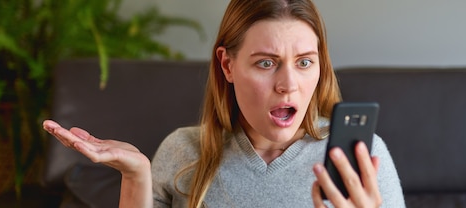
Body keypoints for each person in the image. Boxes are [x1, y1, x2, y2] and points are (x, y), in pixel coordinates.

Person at [42, 0, 405, 207]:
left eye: (305, 62)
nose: (288, 85)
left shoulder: (364, 157)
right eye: (266, 62)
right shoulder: (182, 152)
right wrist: (136, 174)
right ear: (228, 65)